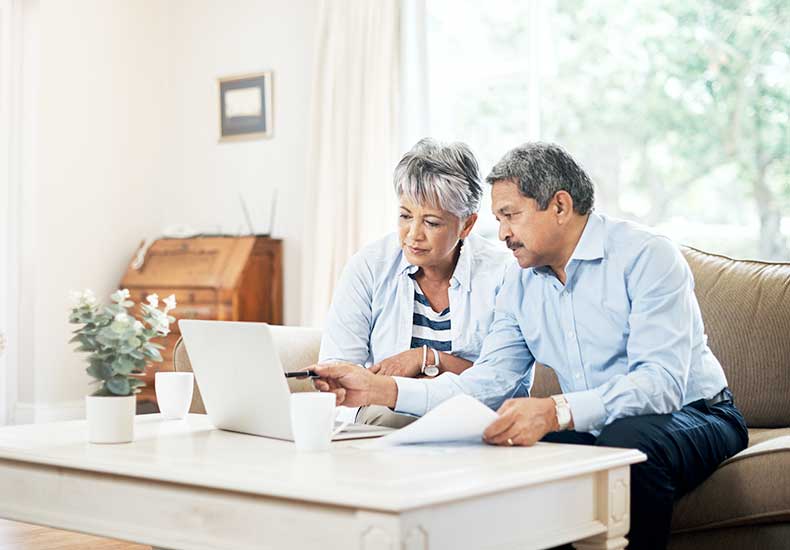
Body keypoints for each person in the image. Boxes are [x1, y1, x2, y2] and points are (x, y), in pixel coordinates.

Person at [311, 142, 748, 549]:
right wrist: (381, 389)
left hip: (696, 412)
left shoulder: (646, 256)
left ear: (560, 206)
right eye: (498, 219)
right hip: (601, 424)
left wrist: (556, 411)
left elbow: (661, 385)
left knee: (625, 443)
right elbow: (488, 384)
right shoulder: (519, 283)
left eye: (510, 216)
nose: (501, 233)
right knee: (523, 456)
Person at [319, 138, 512, 427]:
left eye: (431, 222)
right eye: (405, 216)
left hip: (471, 418)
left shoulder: (502, 274)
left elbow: (504, 383)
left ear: (467, 225)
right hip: (385, 418)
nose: (413, 235)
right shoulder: (369, 266)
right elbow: (338, 369)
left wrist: (426, 358)